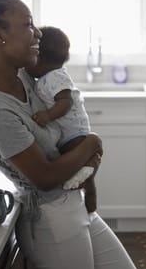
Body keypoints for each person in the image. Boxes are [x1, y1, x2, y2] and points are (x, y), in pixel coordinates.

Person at [0, 0, 146, 269]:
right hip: (50, 219)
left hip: (72, 207)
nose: (38, 34)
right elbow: (44, 177)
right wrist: (91, 143)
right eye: (29, 25)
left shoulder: (25, 75)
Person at [25, 26, 98, 213]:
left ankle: (90, 195)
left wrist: (48, 116)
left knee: (81, 165)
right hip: (67, 133)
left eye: (32, 57)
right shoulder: (45, 77)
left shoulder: (55, 76)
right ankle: (89, 194)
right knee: (80, 168)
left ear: (41, 58)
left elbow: (65, 102)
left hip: (74, 131)